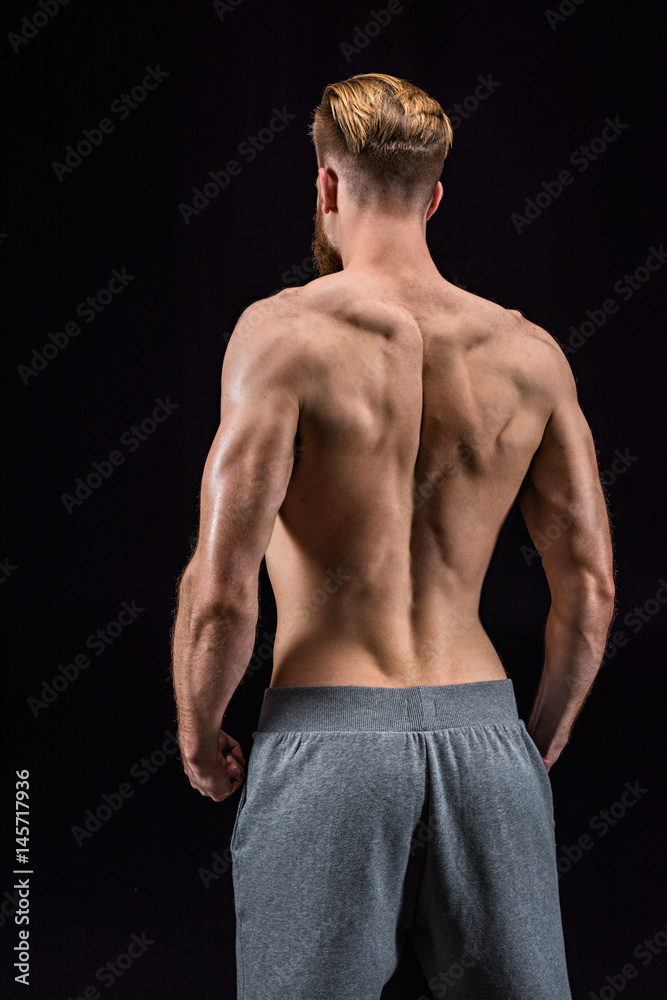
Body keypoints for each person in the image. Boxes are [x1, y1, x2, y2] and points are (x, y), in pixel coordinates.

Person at [171, 73, 616, 1000]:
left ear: (326, 188)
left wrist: (198, 729)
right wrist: (533, 741)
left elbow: (221, 587)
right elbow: (591, 586)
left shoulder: (280, 336)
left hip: (329, 747)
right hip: (486, 735)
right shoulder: (527, 354)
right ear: (436, 196)